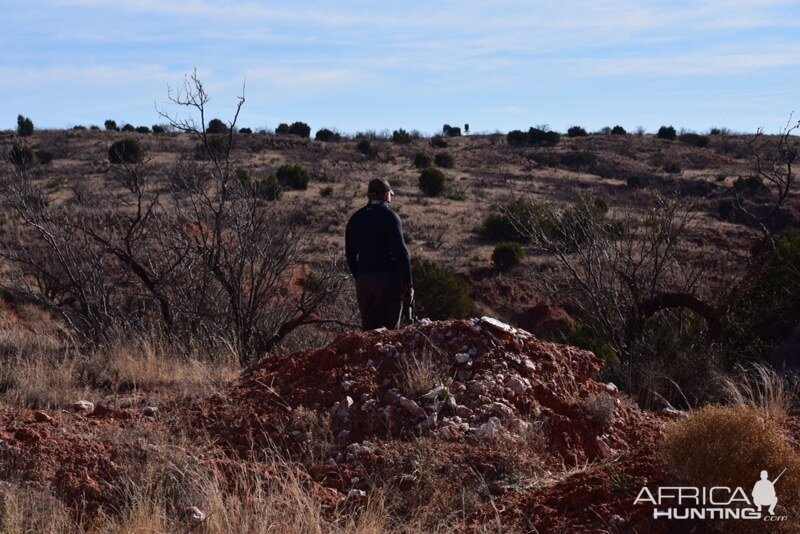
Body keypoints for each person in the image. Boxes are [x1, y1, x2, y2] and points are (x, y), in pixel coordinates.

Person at [345, 178, 413, 330]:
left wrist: (360, 276)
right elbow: (401, 251)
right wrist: (408, 283)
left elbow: (349, 255)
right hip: (387, 280)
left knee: (368, 333)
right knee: (388, 333)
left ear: (369, 196)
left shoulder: (355, 218)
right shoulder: (390, 216)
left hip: (363, 282)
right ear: (387, 195)